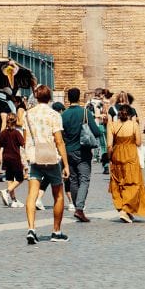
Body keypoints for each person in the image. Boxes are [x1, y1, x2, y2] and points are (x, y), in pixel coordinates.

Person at [23, 85, 70, 244]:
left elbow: (25, 139)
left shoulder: (28, 115)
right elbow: (59, 141)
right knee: (58, 194)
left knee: (32, 194)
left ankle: (31, 229)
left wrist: (25, 159)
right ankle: (56, 231)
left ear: (36, 97)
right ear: (49, 98)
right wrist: (66, 164)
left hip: (35, 157)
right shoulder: (54, 115)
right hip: (51, 158)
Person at [107, 100, 145, 222]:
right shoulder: (134, 124)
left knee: (118, 182)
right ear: (130, 114)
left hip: (116, 155)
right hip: (130, 155)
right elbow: (139, 142)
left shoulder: (112, 125)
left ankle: (122, 208)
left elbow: (109, 145)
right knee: (132, 183)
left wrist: (110, 158)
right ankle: (125, 210)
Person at [60, 87, 96, 220]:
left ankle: (77, 207)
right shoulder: (85, 112)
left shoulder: (63, 115)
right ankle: (79, 208)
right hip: (83, 151)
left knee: (73, 180)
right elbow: (96, 131)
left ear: (68, 98)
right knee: (84, 179)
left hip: (68, 151)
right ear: (79, 97)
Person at [0, 112, 26, 209]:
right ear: (15, 122)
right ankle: (6, 191)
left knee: (10, 178)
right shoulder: (17, 133)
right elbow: (23, 144)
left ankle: (13, 200)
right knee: (20, 178)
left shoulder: (3, 133)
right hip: (15, 158)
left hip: (6, 158)